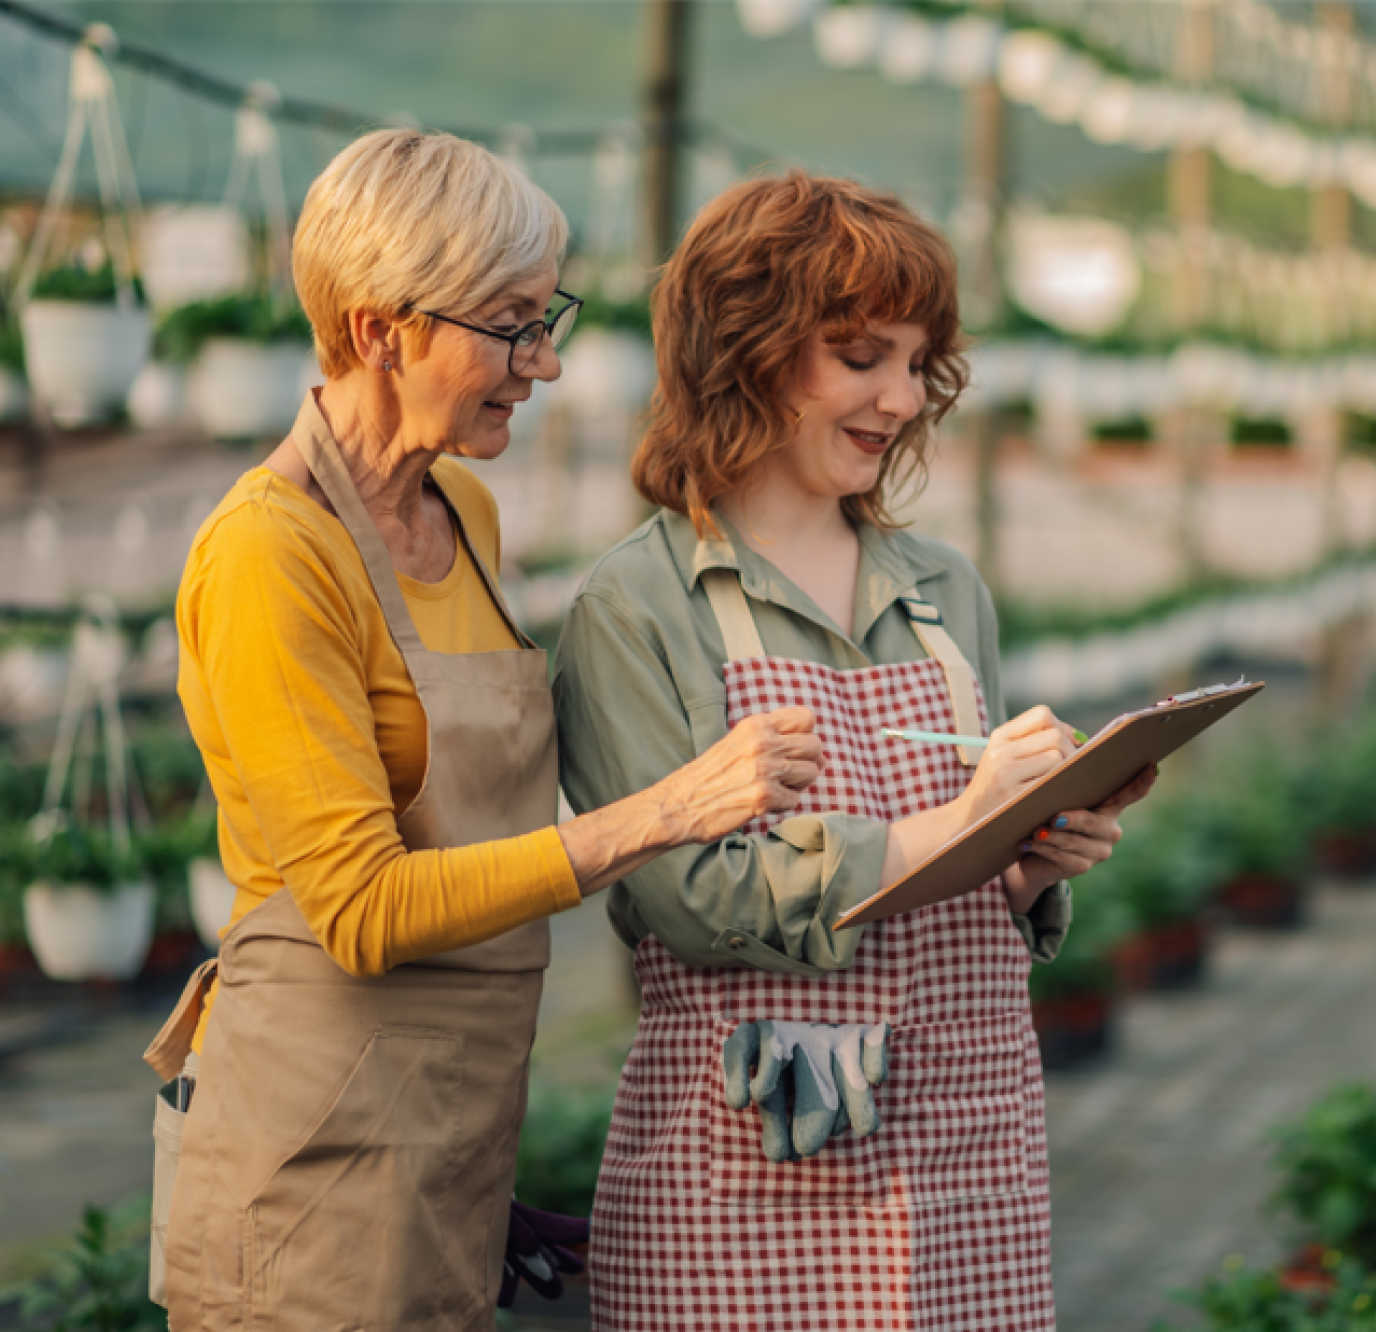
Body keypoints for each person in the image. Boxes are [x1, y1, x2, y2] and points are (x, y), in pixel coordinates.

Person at [146, 130, 824, 1332]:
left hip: (446, 1131)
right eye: (512, 325)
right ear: (379, 330)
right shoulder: (270, 554)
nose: (546, 362)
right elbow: (360, 911)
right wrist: (670, 810)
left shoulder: (458, 504)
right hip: (313, 1153)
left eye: (544, 317)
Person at [553, 170, 1158, 1330]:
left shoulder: (942, 591)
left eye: (919, 362)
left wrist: (1032, 852)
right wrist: (965, 822)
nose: (902, 397)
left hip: (956, 1161)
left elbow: (972, 857)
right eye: (861, 355)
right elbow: (687, 898)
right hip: (747, 1172)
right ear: (749, 349)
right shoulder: (638, 606)